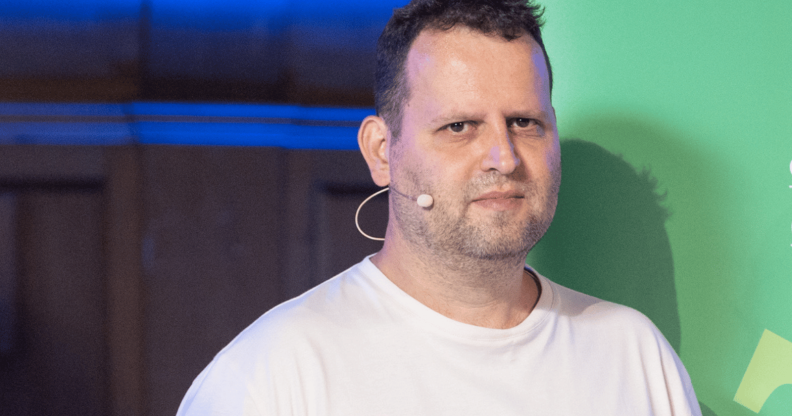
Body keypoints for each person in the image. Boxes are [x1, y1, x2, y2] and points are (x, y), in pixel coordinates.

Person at [177, 0, 702, 414]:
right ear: (382, 152)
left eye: (524, 122)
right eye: (459, 127)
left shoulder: (635, 354)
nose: (504, 157)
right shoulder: (274, 373)